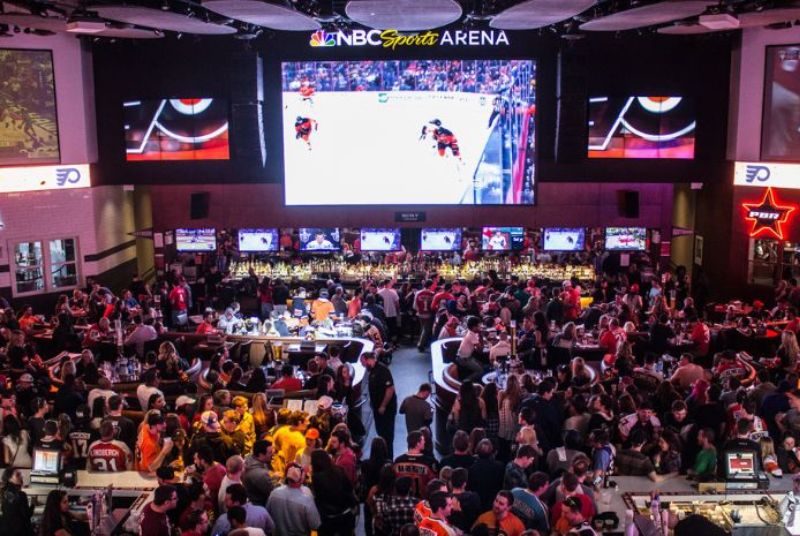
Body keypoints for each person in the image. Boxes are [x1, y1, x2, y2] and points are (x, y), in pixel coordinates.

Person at [310, 449, 358, 535]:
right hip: (346, 514)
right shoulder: (339, 469)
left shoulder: (316, 478)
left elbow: (319, 500)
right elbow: (349, 488)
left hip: (330, 519)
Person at [267, 464, 322, 536]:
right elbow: (315, 525)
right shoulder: (306, 498)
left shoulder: (274, 493)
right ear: (301, 479)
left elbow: (268, 514)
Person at [361, 352, 397, 457]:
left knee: (387, 436)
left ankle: (389, 459)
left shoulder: (382, 370)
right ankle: (383, 457)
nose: (363, 365)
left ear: (368, 360)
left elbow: (390, 389)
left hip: (386, 410)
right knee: (381, 433)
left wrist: (383, 405)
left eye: (363, 362)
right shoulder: (372, 371)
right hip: (378, 409)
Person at [393, 430, 438, 499]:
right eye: (423, 440)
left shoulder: (398, 461)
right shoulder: (429, 462)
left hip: (402, 499)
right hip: (422, 500)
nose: (424, 442)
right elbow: (434, 484)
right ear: (417, 444)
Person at [0, 468, 33, 536]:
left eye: (20, 474)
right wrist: (33, 504)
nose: (21, 476)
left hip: (4, 531)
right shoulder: (21, 495)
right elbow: (27, 515)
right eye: (18, 475)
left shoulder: (3, 492)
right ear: (9, 479)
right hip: (19, 532)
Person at [243, 439, 275, 507]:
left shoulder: (249, 459)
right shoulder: (260, 475)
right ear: (261, 455)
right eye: (270, 452)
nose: (273, 454)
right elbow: (273, 491)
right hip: (260, 505)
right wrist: (276, 480)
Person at [456, 316, 484, 383]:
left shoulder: (470, 332)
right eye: (478, 325)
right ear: (474, 327)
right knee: (480, 371)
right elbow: (480, 350)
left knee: (481, 365)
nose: (480, 327)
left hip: (465, 357)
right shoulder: (471, 335)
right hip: (464, 359)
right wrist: (481, 335)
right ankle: (465, 383)